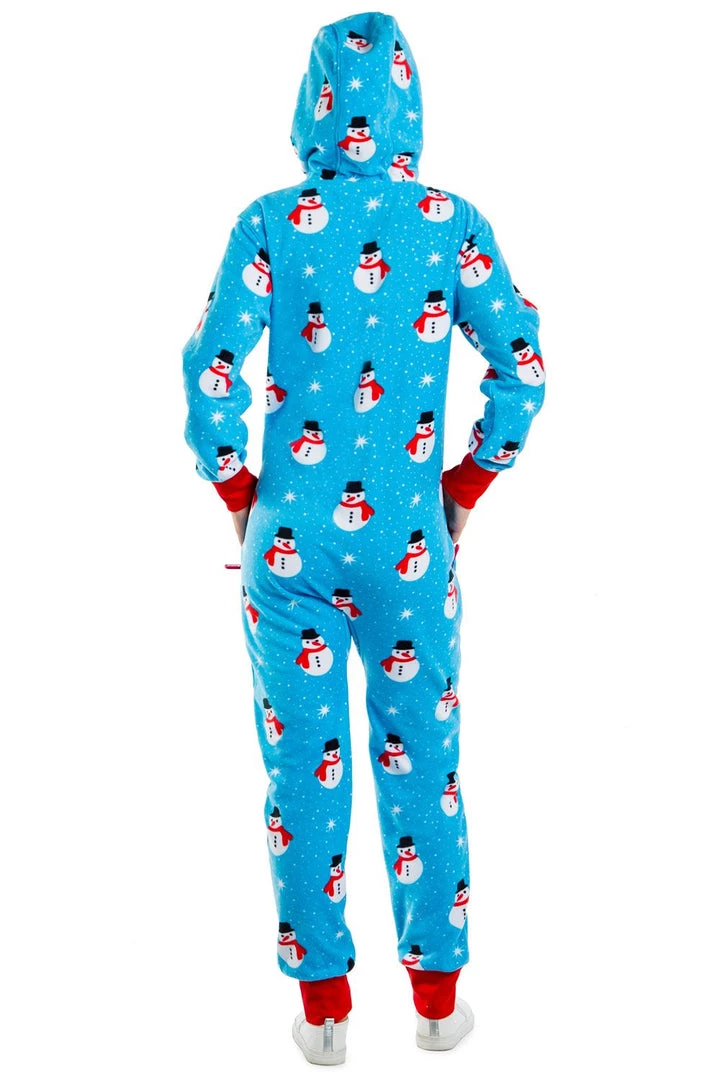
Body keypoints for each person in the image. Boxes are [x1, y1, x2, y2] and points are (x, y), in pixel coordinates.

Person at [182, 11, 544, 1065]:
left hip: (288, 546)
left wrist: (238, 490)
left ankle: (324, 1011)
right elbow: (523, 366)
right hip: (409, 548)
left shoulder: (269, 222)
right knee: (424, 762)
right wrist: (466, 484)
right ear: (409, 106)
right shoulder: (451, 222)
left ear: (311, 107)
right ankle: (436, 1002)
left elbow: (210, 368)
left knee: (302, 774)